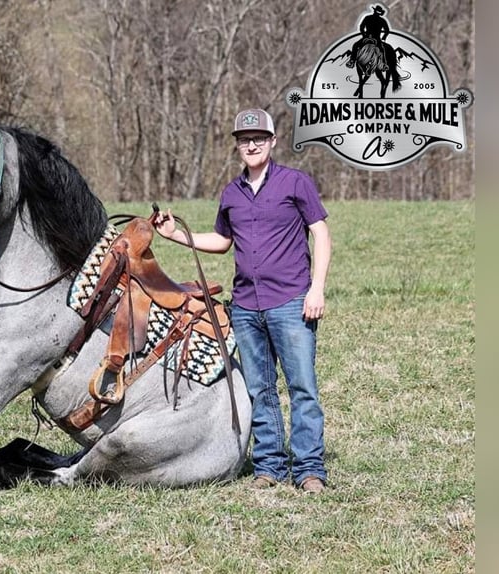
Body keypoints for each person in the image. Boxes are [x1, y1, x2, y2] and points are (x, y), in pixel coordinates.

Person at [153, 108, 331, 494]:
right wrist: (175, 236)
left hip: (290, 301)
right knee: (259, 389)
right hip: (247, 306)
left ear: (272, 142)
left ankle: (310, 470)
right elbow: (222, 241)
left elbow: (321, 234)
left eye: (258, 139)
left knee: (302, 387)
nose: (251, 145)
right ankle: (269, 465)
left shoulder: (295, 183)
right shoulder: (231, 193)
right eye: (244, 140)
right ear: (237, 146)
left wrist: (316, 288)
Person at [347, 5, 390, 70]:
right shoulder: (382, 20)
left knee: (355, 46)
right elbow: (387, 30)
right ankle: (383, 64)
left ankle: (352, 61)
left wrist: (364, 35)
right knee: (381, 49)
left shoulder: (367, 18)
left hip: (367, 37)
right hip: (376, 38)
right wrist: (384, 37)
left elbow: (361, 27)